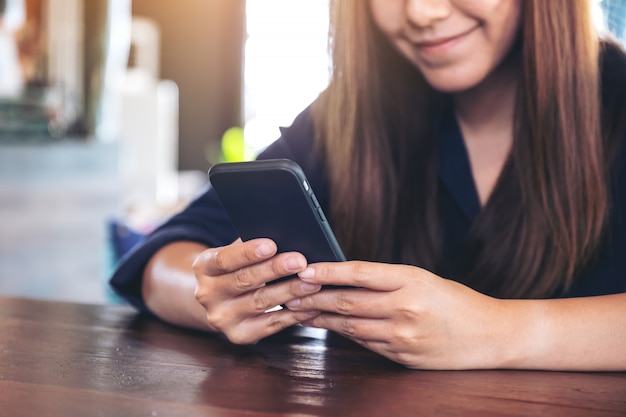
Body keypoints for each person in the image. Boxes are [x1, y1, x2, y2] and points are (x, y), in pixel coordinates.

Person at [110, 0, 626, 370]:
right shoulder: (353, 115)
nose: (422, 12)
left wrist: (499, 331)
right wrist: (219, 296)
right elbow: (163, 258)